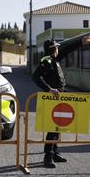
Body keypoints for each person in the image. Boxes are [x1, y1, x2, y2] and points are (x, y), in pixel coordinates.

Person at [32, 36, 90, 168]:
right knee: (51, 128)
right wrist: (49, 89)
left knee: (58, 126)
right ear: (52, 49)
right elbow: (35, 77)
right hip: (52, 98)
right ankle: (48, 156)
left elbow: (67, 49)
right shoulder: (46, 61)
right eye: (56, 47)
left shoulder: (54, 59)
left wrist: (80, 42)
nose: (58, 49)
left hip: (60, 97)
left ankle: (55, 153)